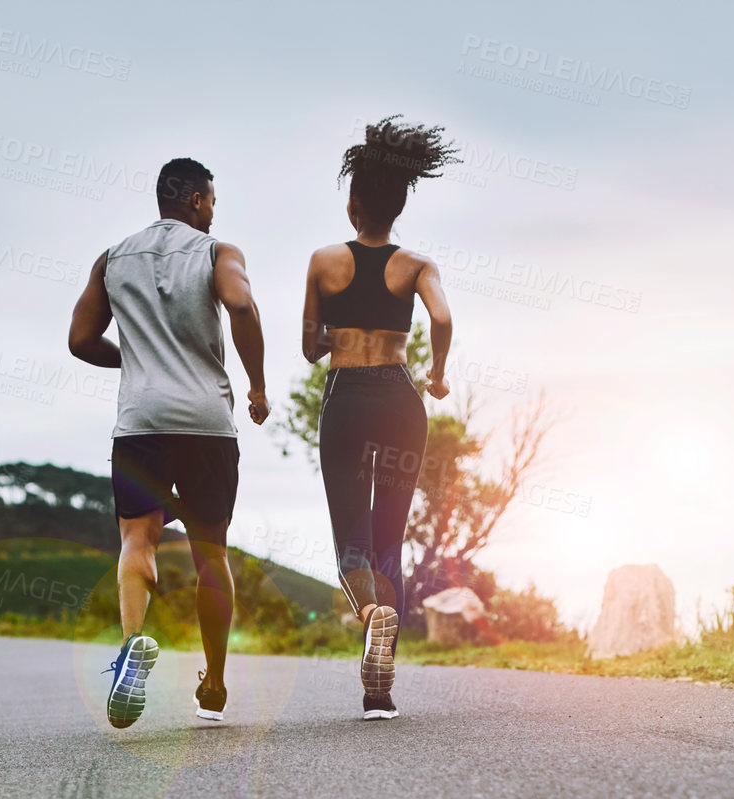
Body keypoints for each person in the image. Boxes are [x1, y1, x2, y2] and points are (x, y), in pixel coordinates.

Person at [68, 156, 269, 729]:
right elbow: (242, 305)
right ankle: (215, 680)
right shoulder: (218, 252)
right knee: (212, 553)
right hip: (207, 421)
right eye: (212, 201)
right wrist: (256, 385)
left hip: (141, 420)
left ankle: (134, 643)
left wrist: (133, 361)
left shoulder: (112, 258)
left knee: (138, 539)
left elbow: (81, 339)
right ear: (198, 201)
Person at [301, 117, 457, 720]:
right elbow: (441, 320)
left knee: (352, 538)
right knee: (390, 535)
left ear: (353, 205)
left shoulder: (322, 261)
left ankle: (371, 615)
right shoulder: (417, 265)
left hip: (347, 393)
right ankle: (379, 694)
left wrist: (335, 333)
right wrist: (438, 374)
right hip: (399, 398)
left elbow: (312, 346)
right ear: (397, 207)